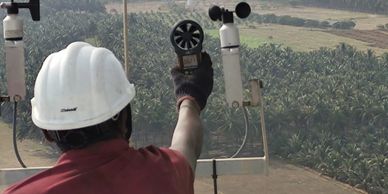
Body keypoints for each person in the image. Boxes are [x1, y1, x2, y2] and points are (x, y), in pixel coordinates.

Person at [3, 41, 213, 194]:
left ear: (47, 131)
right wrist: (190, 98)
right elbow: (188, 145)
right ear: (124, 116)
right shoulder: (164, 175)